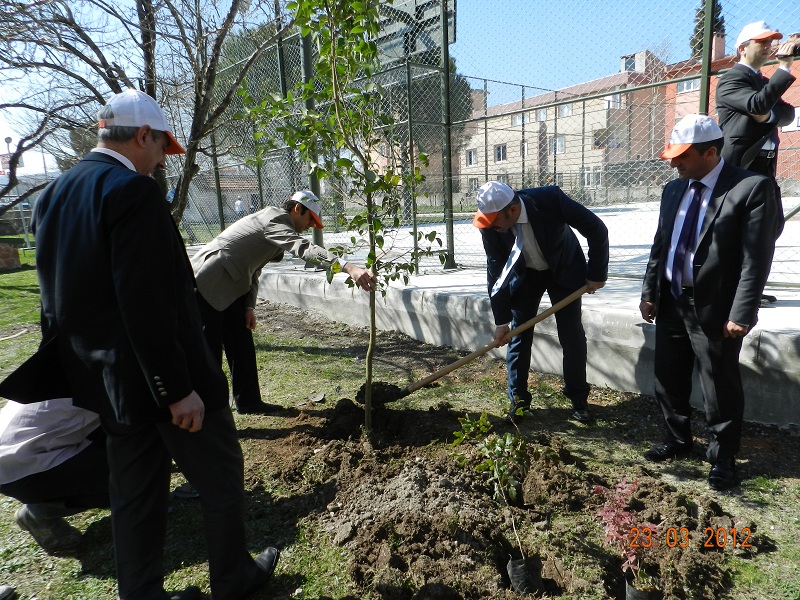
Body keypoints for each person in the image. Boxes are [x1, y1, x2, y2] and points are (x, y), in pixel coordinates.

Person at [0, 88, 279, 600]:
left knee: (135, 494)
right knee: (220, 478)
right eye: (159, 149)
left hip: (110, 388)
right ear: (142, 135)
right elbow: (146, 302)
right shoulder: (130, 192)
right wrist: (175, 389)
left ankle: (142, 595)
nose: (159, 163)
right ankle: (234, 582)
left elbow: (53, 300)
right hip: (163, 383)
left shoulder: (54, 195)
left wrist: (89, 376)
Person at [640, 114, 779, 491]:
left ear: (711, 152)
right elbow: (661, 245)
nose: (674, 163)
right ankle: (677, 439)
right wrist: (649, 291)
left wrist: (742, 312)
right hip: (671, 301)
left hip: (716, 308)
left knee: (719, 386)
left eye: (682, 156)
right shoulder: (674, 190)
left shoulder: (751, 188)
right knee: (668, 378)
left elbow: (756, 259)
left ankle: (722, 457)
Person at [191, 190, 376, 415]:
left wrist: (249, 306)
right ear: (297, 208)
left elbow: (255, 268)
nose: (310, 226)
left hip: (232, 283)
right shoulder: (275, 219)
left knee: (241, 345)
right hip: (208, 282)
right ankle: (210, 413)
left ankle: (248, 402)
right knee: (208, 352)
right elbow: (304, 248)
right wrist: (349, 267)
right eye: (310, 219)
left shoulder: (277, 226)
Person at [472, 181, 609, 423]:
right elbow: (496, 270)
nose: (492, 227)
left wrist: (596, 274)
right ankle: (519, 401)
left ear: (512, 210)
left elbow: (597, 229)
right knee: (518, 336)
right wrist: (501, 320)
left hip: (564, 269)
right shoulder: (490, 225)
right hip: (525, 276)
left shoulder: (550, 199)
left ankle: (579, 400)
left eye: (495, 222)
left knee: (571, 334)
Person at [715, 21, 798, 236]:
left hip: (766, 166)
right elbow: (757, 104)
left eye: (770, 42)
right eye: (761, 41)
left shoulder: (765, 82)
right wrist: (784, 67)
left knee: (768, 229)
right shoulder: (730, 79)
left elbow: (788, 113)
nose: (768, 46)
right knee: (738, 233)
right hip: (741, 166)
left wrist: (768, 116)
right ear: (742, 48)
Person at [0, 398, 109, 553]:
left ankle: (44, 507)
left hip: (15, 459)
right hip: (22, 465)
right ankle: (41, 511)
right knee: (135, 473)